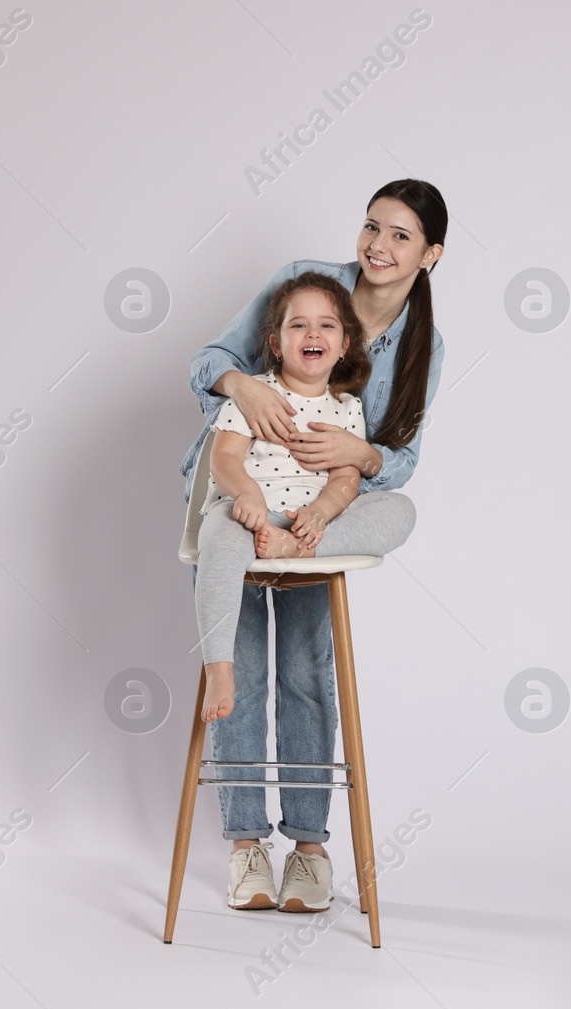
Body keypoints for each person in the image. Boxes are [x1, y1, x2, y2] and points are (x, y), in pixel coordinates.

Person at [181, 178, 447, 913]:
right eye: (372, 226)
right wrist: (247, 386)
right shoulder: (307, 287)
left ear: (431, 254)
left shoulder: (418, 347)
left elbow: (396, 462)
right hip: (245, 506)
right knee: (249, 666)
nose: (379, 246)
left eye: (400, 235)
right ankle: (244, 845)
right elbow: (206, 368)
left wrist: (351, 459)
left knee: (305, 668)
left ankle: (308, 844)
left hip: (313, 523)